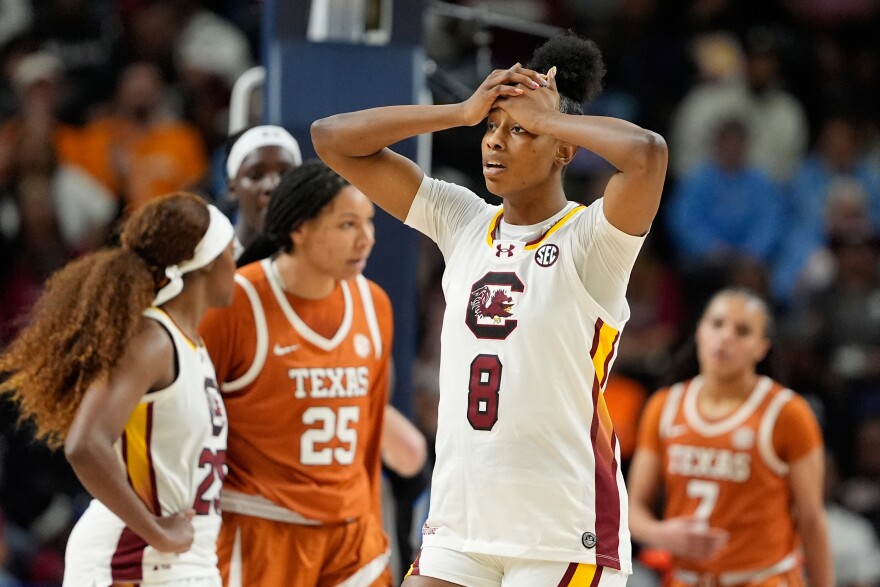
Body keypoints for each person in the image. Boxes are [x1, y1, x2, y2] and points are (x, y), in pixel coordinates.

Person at [312, 31, 667, 586]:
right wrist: (460, 110)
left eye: (518, 130)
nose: (495, 142)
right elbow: (331, 139)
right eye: (492, 129)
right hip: (461, 520)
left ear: (563, 150)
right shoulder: (462, 220)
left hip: (561, 529)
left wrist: (547, 117)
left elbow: (647, 155)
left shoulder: (593, 239)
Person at [0, 192, 237, 585]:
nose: (236, 260)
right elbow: (85, 443)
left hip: (180, 559)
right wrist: (157, 531)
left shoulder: (189, 343)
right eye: (231, 251)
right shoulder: (152, 340)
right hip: (131, 559)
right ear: (206, 263)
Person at [199, 160, 400, 586]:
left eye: (368, 221)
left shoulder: (374, 304)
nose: (366, 238)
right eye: (347, 224)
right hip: (261, 528)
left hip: (352, 536)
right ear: (299, 229)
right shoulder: (236, 302)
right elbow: (187, 425)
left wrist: (374, 525)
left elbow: (371, 435)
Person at [627, 288, 833, 587]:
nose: (726, 337)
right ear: (699, 331)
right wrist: (662, 534)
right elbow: (634, 509)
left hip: (763, 578)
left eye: (743, 331)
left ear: (762, 348)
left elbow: (812, 519)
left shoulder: (788, 413)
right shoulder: (664, 406)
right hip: (686, 578)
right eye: (717, 324)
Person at [223, 125, 303, 250]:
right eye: (256, 175)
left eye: (285, 174)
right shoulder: (210, 263)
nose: (272, 186)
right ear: (232, 188)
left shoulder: (321, 261)